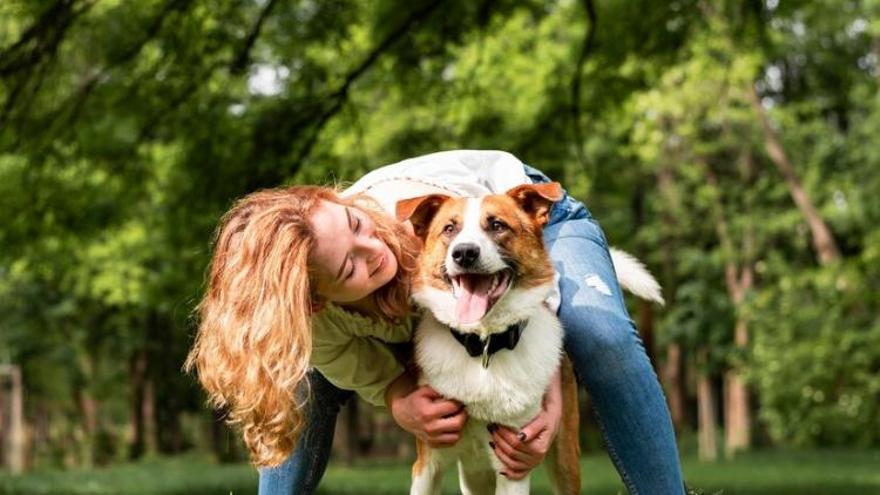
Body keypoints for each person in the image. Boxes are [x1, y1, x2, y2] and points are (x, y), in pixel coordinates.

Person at [185, 150, 685, 494]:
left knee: (600, 333)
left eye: (356, 226)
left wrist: (547, 401)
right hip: (469, 284)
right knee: (297, 382)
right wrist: (399, 398)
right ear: (314, 302)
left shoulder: (426, 223)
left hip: (524, 217)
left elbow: (529, 292)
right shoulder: (316, 325)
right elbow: (374, 375)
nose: (374, 251)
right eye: (349, 268)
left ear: (340, 203)